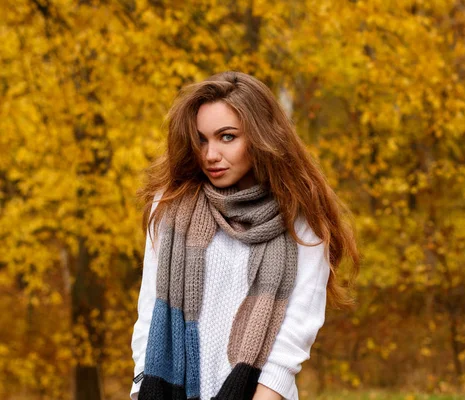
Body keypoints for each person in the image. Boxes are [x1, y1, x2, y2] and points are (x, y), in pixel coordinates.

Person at [130, 71, 359, 400]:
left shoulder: (301, 213)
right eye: (202, 139)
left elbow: (297, 329)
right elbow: (150, 311)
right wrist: (141, 389)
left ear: (260, 136)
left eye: (227, 137)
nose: (210, 154)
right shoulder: (170, 205)